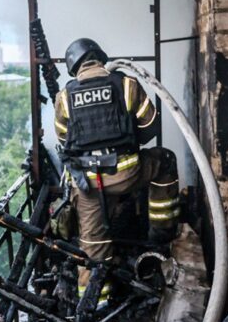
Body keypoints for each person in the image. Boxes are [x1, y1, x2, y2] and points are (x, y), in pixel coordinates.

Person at [54, 38, 181, 303]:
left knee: (92, 251)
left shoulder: (65, 97)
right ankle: (162, 234)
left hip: (88, 185)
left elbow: (64, 140)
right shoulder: (126, 85)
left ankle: (96, 310)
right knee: (165, 161)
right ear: (100, 58)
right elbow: (151, 127)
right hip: (128, 174)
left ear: (74, 68)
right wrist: (128, 141)